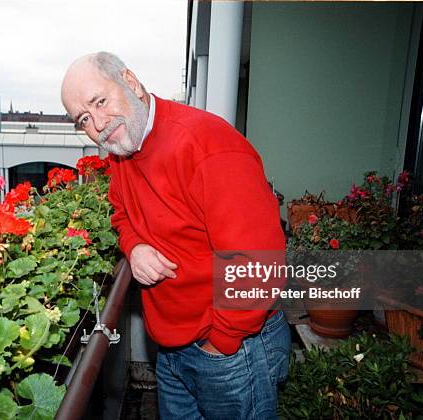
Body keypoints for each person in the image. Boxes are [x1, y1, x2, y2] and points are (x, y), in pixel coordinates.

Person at [61, 52, 290, 419]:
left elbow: (258, 262)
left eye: (99, 102)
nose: (98, 123)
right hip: (171, 346)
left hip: (228, 347)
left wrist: (223, 341)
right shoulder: (124, 150)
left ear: (130, 82)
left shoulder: (208, 145)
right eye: (83, 119)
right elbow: (121, 214)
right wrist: (134, 247)